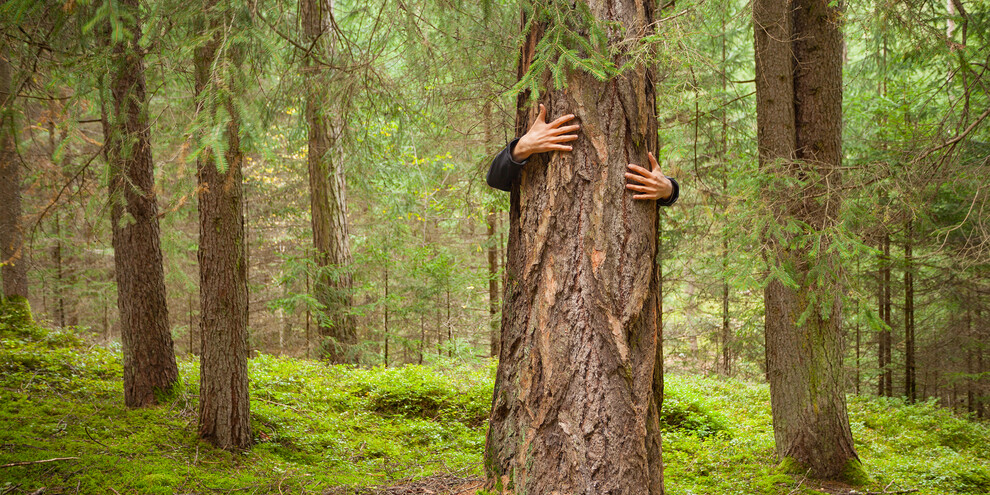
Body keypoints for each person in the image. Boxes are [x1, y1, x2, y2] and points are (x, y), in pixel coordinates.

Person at [486, 104, 679, 206]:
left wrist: (669, 190)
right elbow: (495, 178)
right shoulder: (531, 138)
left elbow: (661, 182)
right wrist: (522, 147)